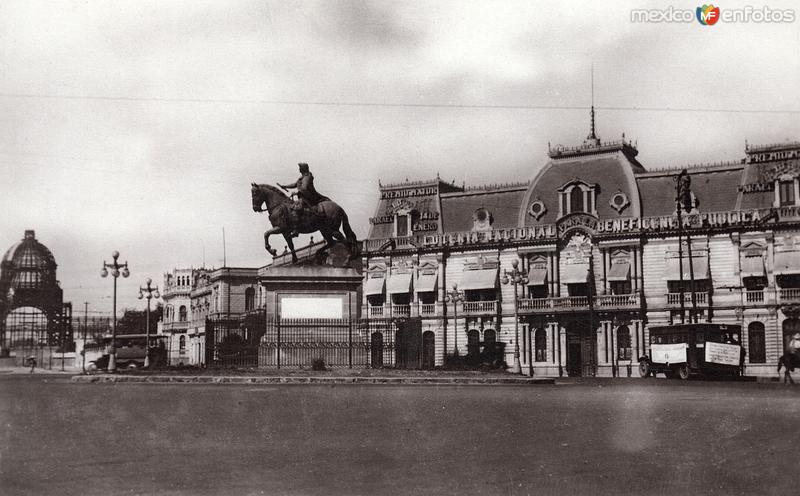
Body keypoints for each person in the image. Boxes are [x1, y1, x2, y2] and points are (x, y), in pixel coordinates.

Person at [278, 163, 329, 237]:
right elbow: (295, 184)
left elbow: (304, 188)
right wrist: (285, 186)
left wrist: (296, 193)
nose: (299, 169)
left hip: (308, 197)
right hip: (303, 197)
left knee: (296, 208)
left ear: (303, 169)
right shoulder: (302, 177)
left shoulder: (307, 177)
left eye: (300, 168)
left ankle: (296, 230)